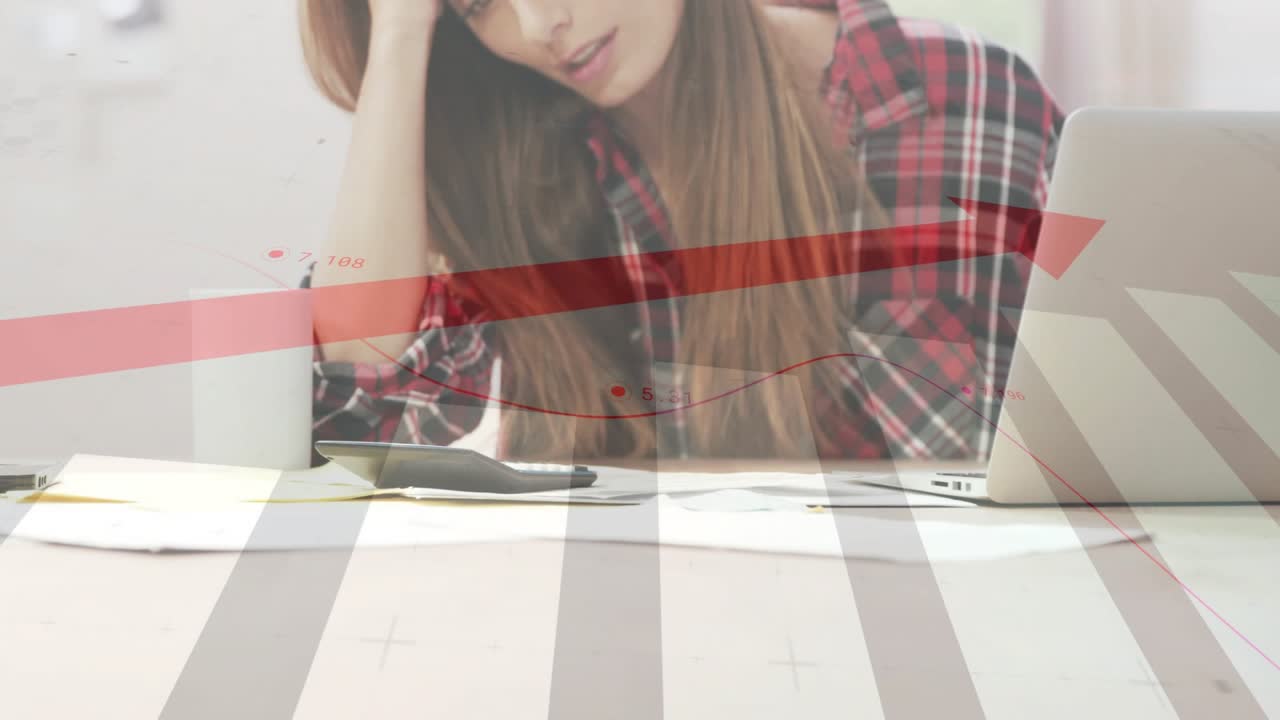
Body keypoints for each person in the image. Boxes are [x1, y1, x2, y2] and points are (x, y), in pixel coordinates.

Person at [297, 0, 1064, 463]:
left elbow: (1111, 444)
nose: (539, 24)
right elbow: (361, 412)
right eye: (478, 3)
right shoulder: (531, 175)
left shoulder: (963, 98)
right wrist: (398, 32)